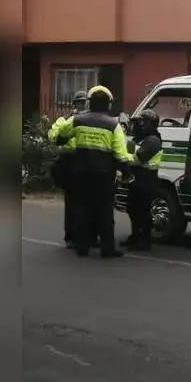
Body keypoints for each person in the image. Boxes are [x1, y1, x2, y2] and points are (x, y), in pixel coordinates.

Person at [53, 85, 130, 258]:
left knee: (82, 209)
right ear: (108, 104)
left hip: (80, 173)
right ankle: (107, 247)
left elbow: (61, 137)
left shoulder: (77, 120)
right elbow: (121, 154)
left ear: (89, 103)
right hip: (104, 176)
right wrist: (126, 172)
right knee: (105, 211)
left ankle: (82, 246)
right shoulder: (113, 125)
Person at [48, 90, 88, 248]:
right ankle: (71, 236)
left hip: (87, 160)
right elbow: (53, 135)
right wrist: (70, 123)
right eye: (80, 102)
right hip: (70, 161)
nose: (83, 105)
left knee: (89, 202)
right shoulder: (65, 119)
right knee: (72, 202)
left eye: (85, 102)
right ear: (74, 104)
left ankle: (89, 236)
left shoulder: (92, 120)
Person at [121, 109, 163, 251]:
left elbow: (137, 159)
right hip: (137, 177)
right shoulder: (139, 139)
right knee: (132, 208)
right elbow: (129, 151)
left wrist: (122, 158)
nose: (139, 124)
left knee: (143, 210)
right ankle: (135, 236)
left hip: (147, 179)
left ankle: (145, 240)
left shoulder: (153, 140)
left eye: (142, 122)